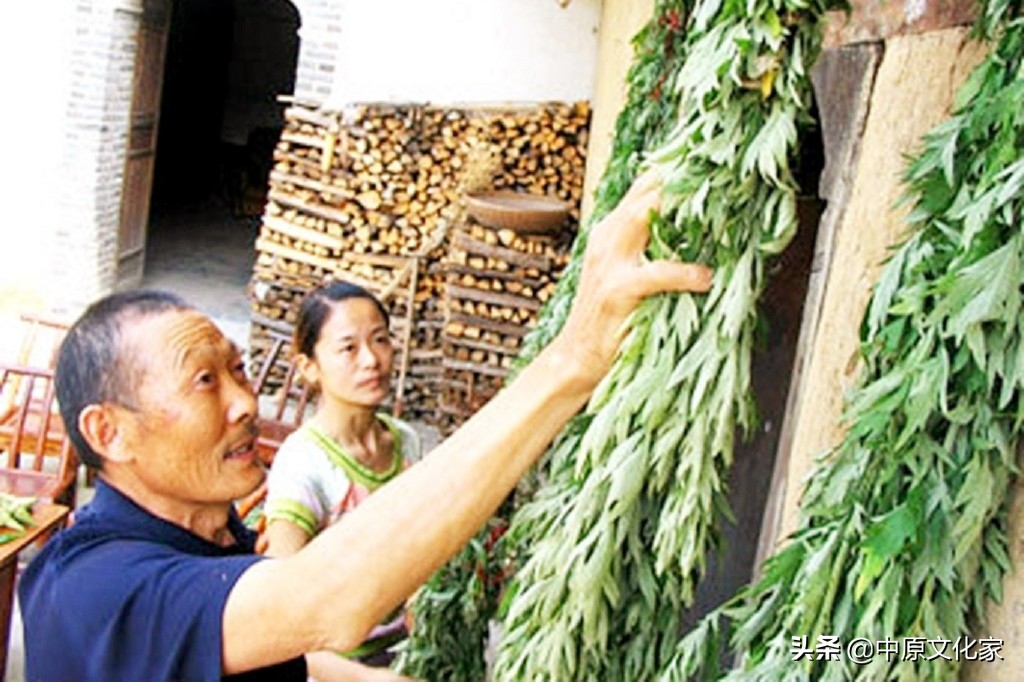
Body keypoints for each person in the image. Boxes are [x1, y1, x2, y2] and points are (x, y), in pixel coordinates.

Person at [17, 172, 712, 681]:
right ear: (109, 433)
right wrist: (574, 359)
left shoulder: (212, 537)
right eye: (204, 381)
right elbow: (325, 601)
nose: (244, 403)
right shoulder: (90, 588)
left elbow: (276, 646)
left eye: (237, 370)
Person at [262, 281, 421, 665]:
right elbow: (280, 613)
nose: (371, 360)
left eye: (380, 340)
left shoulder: (405, 442)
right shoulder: (304, 463)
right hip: (336, 663)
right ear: (309, 367)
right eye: (348, 348)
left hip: (402, 647)